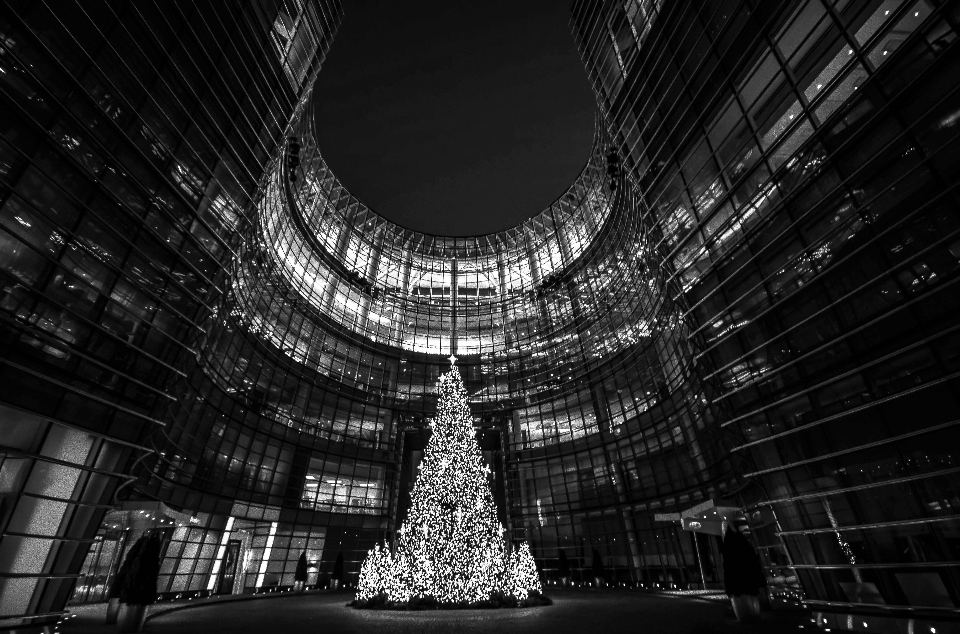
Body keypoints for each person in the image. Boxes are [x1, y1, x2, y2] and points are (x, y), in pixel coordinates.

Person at [719, 520, 766, 623]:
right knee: (750, 597)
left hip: (738, 582)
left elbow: (729, 567)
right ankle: (752, 615)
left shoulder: (730, 546)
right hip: (747, 580)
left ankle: (747, 616)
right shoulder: (742, 544)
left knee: (743, 599)